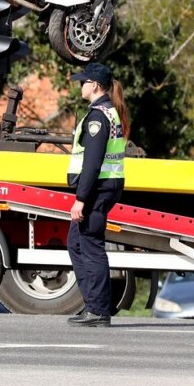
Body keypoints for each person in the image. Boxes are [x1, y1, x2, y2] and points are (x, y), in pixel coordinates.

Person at [64, 62, 128, 328]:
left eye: (84, 82)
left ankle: (99, 311)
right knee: (77, 244)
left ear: (95, 85)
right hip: (104, 186)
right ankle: (93, 306)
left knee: (90, 247)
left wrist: (81, 198)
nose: (81, 86)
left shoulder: (98, 117)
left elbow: (92, 161)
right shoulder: (105, 112)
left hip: (97, 188)